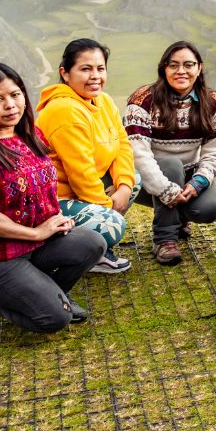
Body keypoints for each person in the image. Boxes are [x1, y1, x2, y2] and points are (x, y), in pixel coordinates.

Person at [0, 63, 107, 333]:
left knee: (91, 243)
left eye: (15, 94)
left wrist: (53, 220)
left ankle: (50, 295)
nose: (10, 105)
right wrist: (36, 233)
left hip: (35, 245)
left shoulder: (30, 134)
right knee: (54, 320)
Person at [36, 38, 140, 273]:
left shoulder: (103, 101)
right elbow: (80, 174)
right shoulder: (64, 109)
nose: (95, 76)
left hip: (81, 191)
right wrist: (108, 210)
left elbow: (122, 144)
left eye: (100, 68)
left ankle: (95, 246)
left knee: (133, 179)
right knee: (112, 224)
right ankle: (83, 251)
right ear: (65, 73)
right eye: (85, 69)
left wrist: (123, 186)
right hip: (54, 200)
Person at [124, 41, 216, 265]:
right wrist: (165, 189)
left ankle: (180, 218)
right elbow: (138, 154)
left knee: (208, 209)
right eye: (174, 65)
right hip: (146, 177)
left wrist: (199, 182)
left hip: (189, 174)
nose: (181, 71)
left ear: (199, 68)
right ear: (164, 69)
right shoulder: (142, 101)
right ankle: (165, 239)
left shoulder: (212, 102)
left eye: (188, 65)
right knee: (171, 165)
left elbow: (215, 151)